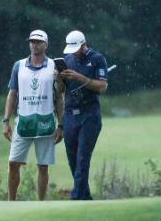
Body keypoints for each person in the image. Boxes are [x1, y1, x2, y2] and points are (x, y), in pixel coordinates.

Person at [2, 29, 64, 201]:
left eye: (38, 41)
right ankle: (11, 202)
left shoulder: (54, 66)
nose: (34, 44)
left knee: (43, 166)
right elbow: (12, 94)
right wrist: (5, 120)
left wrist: (61, 125)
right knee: (13, 163)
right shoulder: (19, 65)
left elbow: (60, 96)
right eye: (32, 41)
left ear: (46, 44)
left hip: (46, 122)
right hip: (24, 122)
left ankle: (41, 204)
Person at [57, 30, 108, 200]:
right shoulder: (67, 60)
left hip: (89, 114)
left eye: (76, 48)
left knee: (82, 159)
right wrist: (58, 80)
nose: (73, 52)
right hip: (70, 115)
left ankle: (75, 197)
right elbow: (62, 90)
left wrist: (81, 78)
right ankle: (85, 199)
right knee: (73, 159)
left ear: (84, 45)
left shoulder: (97, 59)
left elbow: (102, 86)